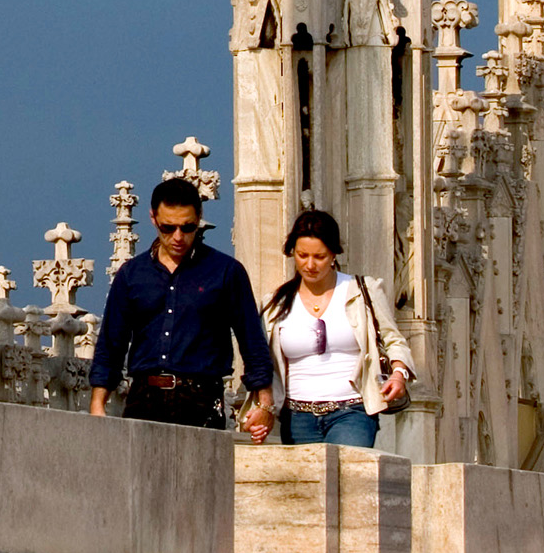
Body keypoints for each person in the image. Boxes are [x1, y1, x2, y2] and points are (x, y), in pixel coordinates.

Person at [88, 177, 273, 432]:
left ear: (199, 218)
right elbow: (111, 343)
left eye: (187, 228)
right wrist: (98, 406)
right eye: (168, 227)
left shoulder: (226, 272)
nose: (178, 237)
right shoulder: (132, 275)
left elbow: (252, 339)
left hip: (202, 398)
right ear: (153, 218)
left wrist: (265, 405)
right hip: (144, 398)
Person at [252, 209, 413, 449]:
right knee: (307, 485)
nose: (310, 265)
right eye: (302, 255)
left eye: (320, 257)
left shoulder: (363, 290)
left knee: (348, 477)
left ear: (334, 255)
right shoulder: (274, 303)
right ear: (292, 253)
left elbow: (393, 340)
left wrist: (399, 374)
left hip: (352, 411)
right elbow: (262, 360)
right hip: (296, 416)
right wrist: (263, 406)